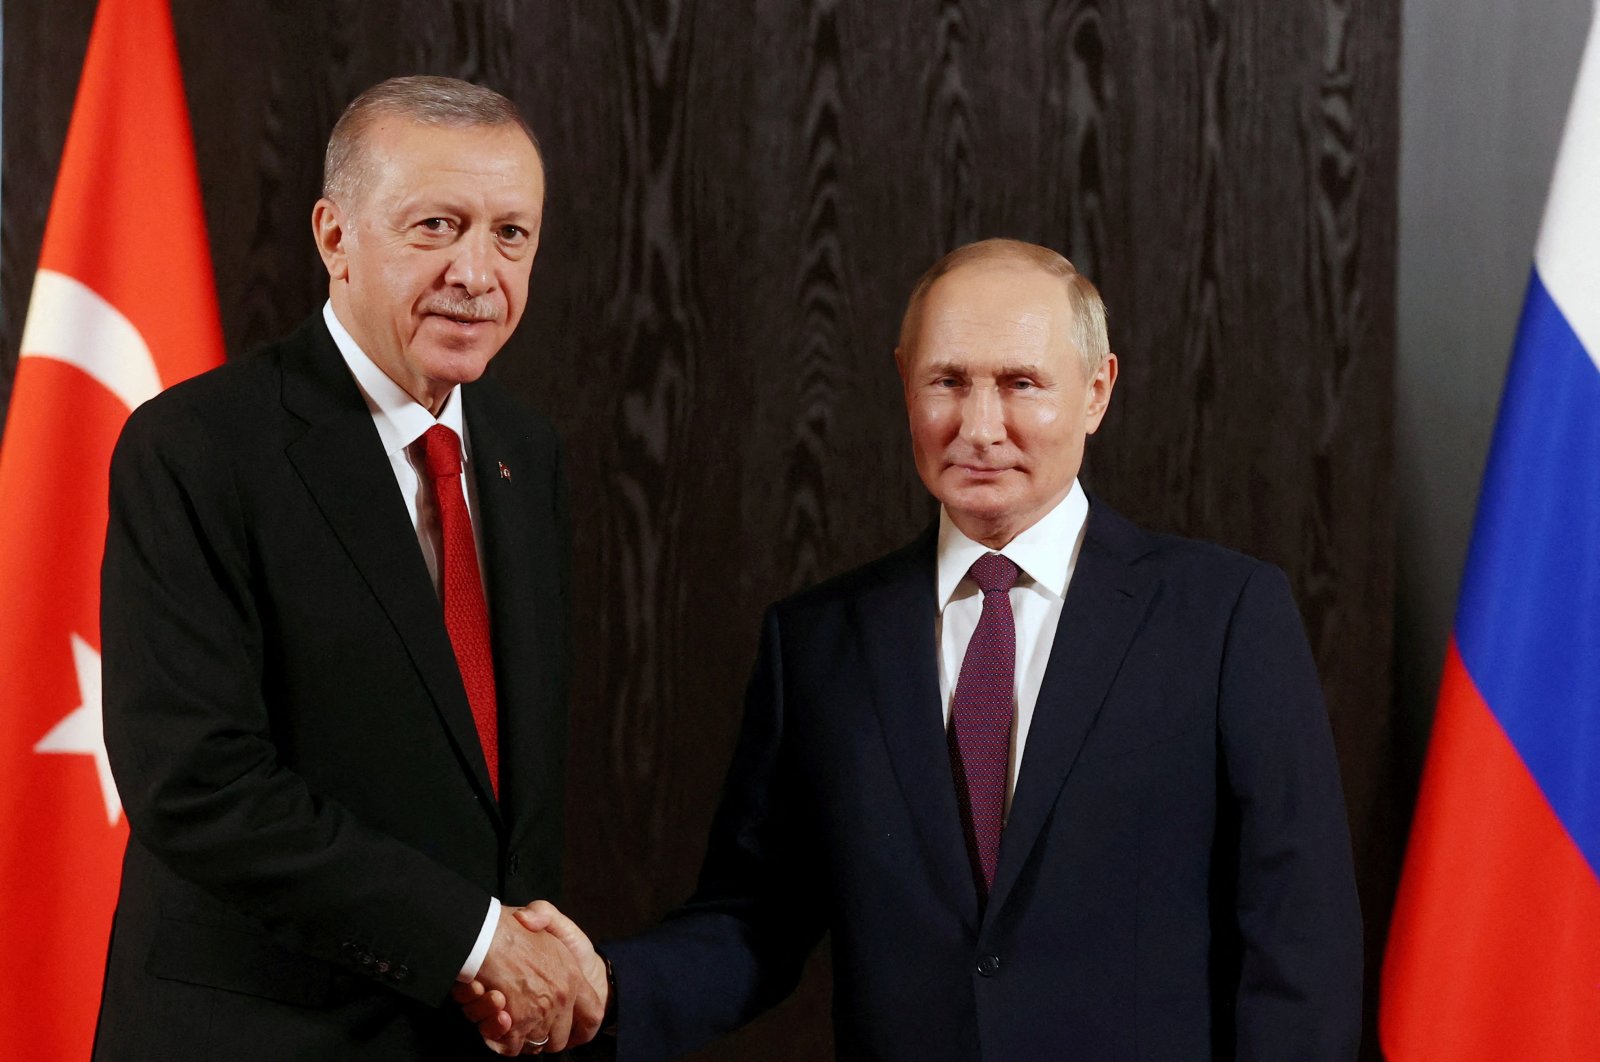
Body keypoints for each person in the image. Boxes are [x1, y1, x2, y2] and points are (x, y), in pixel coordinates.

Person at [497, 238, 1363, 1060]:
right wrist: (604, 988)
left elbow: (1299, 947)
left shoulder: (1226, 615)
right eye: (948, 382)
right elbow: (756, 922)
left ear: (1097, 391)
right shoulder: (818, 642)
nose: (980, 427)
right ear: (904, 383)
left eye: (1022, 383)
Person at [95, 76, 600, 1059]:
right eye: (436, 226)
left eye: (511, 234)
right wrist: (474, 938)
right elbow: (196, 781)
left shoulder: (522, 451)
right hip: (257, 1035)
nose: (477, 272)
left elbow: (488, 774)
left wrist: (519, 951)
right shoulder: (196, 446)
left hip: (467, 1036)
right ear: (334, 237)